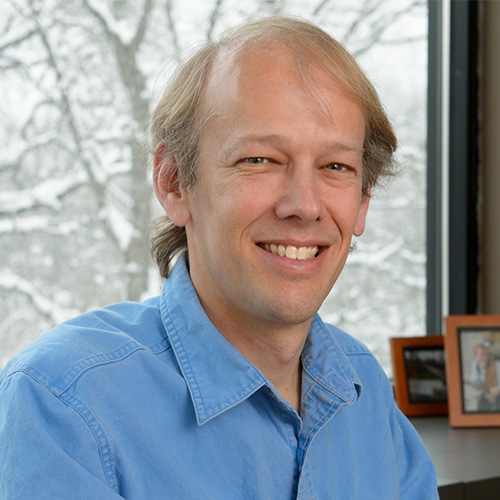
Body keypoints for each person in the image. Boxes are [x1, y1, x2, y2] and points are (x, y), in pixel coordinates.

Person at [0, 16, 438, 499]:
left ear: (363, 201)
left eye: (336, 167)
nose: (305, 205)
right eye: (260, 160)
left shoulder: (364, 390)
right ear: (173, 182)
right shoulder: (61, 404)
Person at [468, 343, 500, 412]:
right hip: (485, 394)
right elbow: (475, 384)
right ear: (476, 356)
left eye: (486, 354)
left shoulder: (497, 364)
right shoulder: (476, 366)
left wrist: (497, 388)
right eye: (481, 354)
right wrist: (482, 371)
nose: (484, 357)